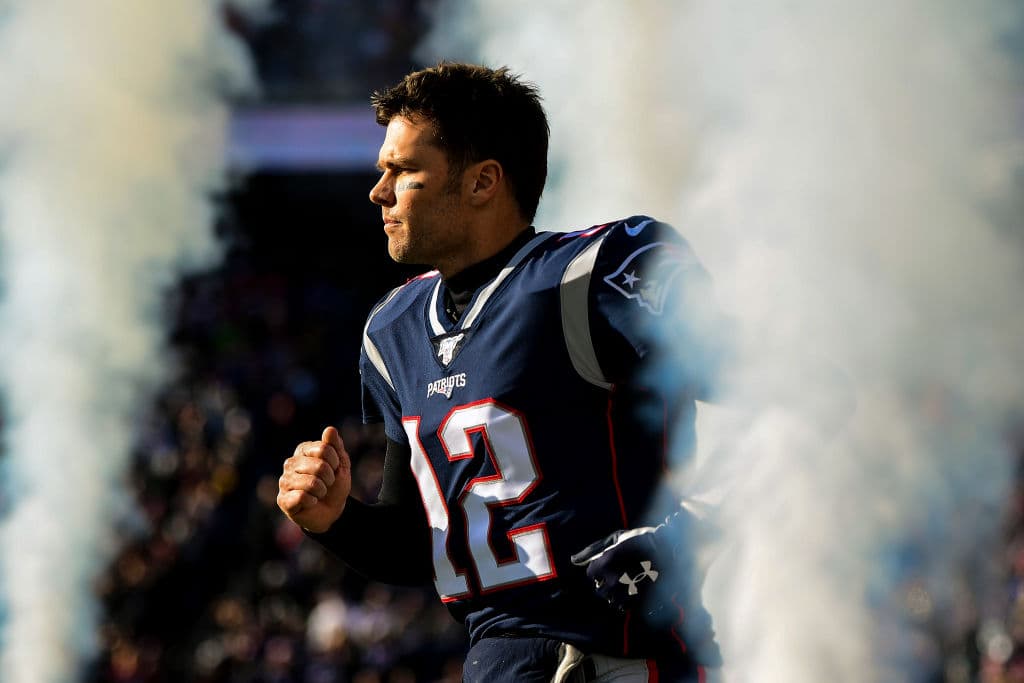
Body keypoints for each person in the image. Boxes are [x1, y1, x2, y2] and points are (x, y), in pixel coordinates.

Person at [277, 62, 725, 682]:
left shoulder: (594, 274)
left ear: (483, 181)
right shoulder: (393, 328)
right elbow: (420, 545)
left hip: (626, 659)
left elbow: (790, 400)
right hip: (495, 663)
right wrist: (336, 521)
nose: (379, 192)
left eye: (404, 172)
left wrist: (686, 532)